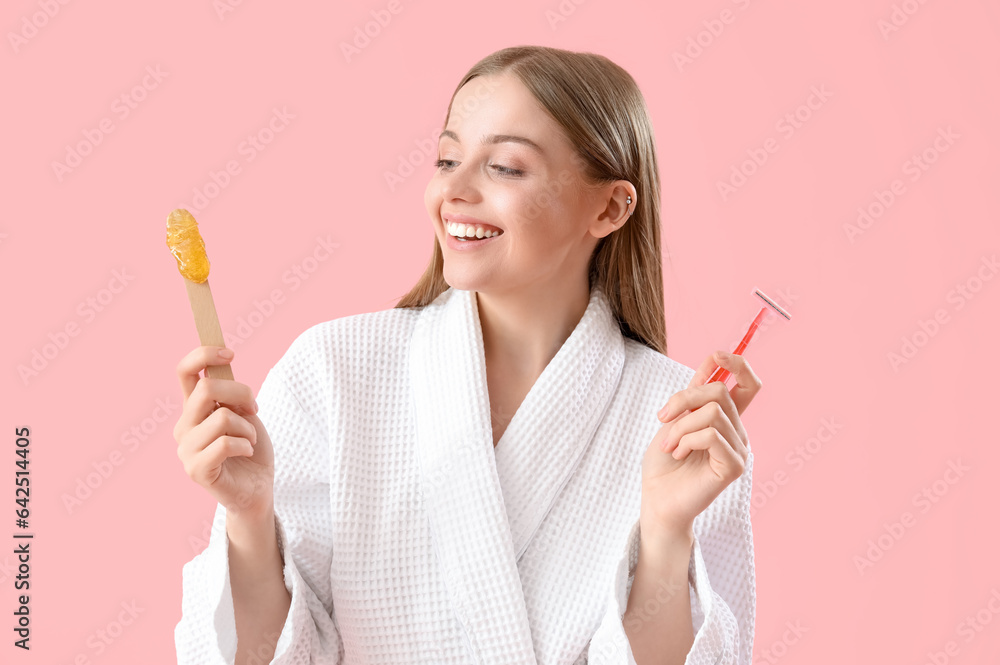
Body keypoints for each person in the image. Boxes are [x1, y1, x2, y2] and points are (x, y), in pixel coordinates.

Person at [173, 45, 758, 665]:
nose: (452, 189)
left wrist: (666, 535)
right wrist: (248, 516)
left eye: (505, 167)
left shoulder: (680, 426)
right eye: (447, 158)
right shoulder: (335, 370)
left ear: (609, 207)